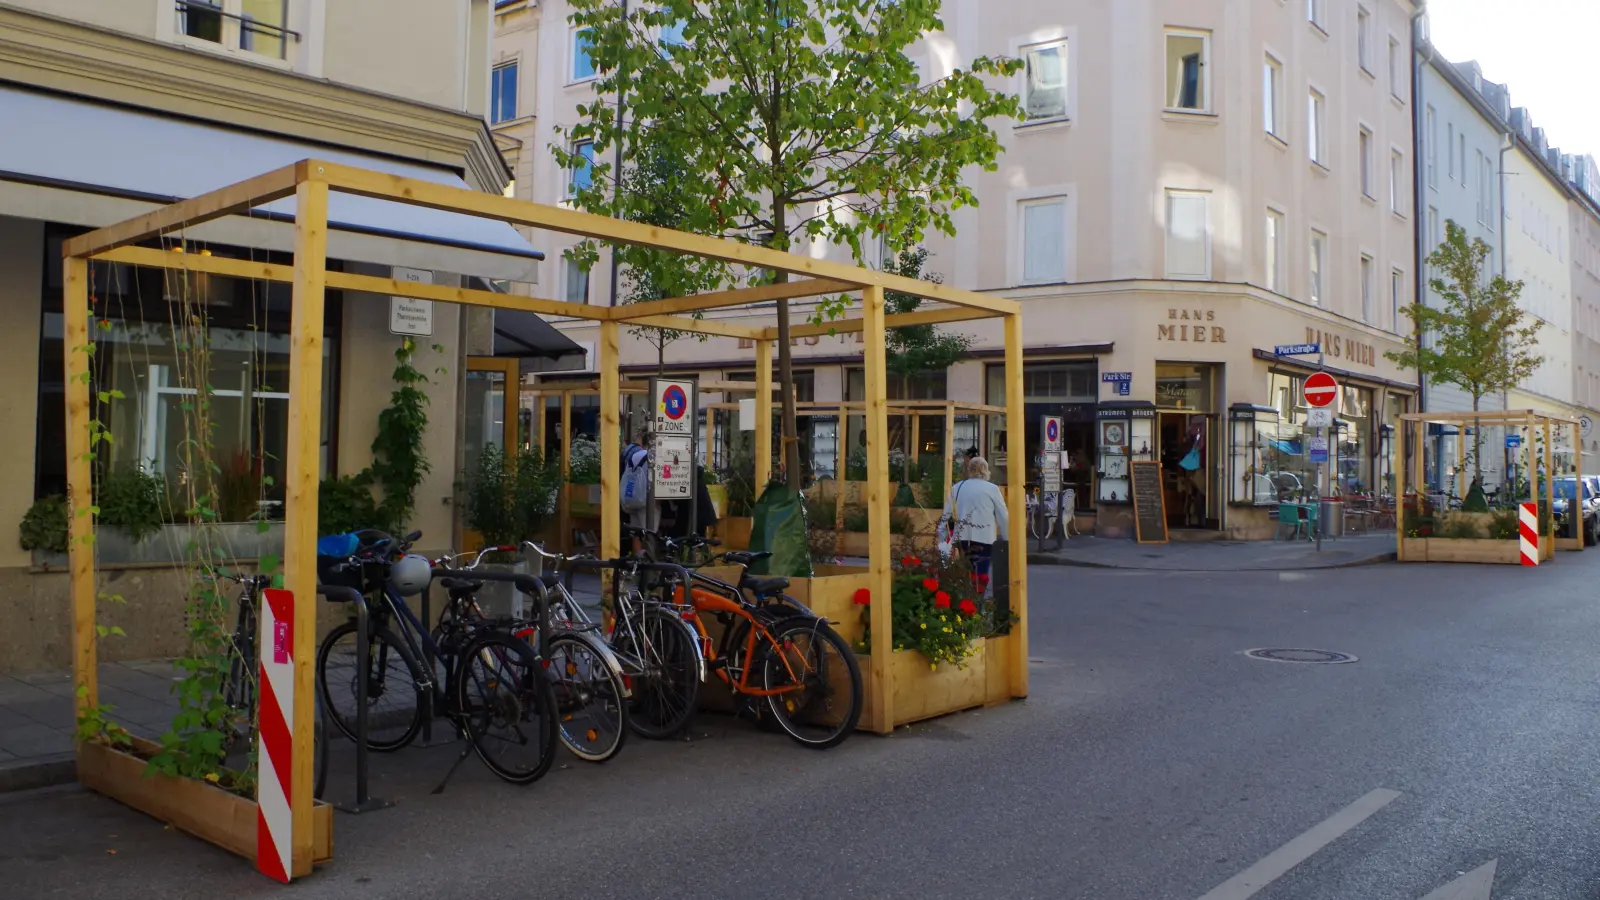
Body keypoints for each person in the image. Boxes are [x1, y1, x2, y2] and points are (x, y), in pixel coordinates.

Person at [941, 455, 1009, 597]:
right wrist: (1007, 537)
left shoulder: (957, 488)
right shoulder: (992, 489)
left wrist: (941, 537)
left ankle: (966, 599)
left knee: (966, 571)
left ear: (969, 469)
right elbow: (1003, 516)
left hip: (962, 537)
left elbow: (946, 516)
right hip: (985, 538)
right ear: (986, 470)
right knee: (981, 573)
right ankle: (978, 600)